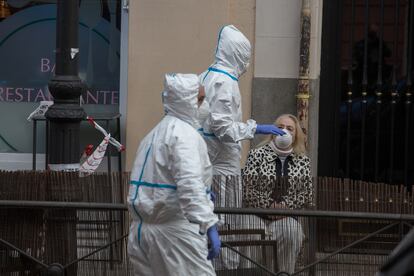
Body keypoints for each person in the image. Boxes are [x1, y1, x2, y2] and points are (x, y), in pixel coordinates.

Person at [198, 24, 285, 269]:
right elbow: (224, 129)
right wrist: (255, 128)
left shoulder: (207, 75)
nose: (247, 62)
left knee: (211, 224)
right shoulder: (225, 82)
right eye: (245, 56)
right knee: (226, 226)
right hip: (222, 171)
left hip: (209, 166)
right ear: (236, 53)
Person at [127, 73, 221, 276]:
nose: (204, 105)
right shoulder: (185, 135)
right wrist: (209, 223)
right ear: (187, 101)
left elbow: (158, 183)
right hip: (174, 235)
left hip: (141, 234)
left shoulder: (152, 135)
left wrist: (203, 194)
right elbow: (189, 186)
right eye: (201, 99)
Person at [242, 114, 313, 274]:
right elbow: (247, 189)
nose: (284, 131)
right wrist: (269, 206)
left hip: (286, 216)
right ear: (273, 132)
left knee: (291, 232)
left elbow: (306, 193)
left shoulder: (303, 161)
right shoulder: (256, 155)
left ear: (295, 135)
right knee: (250, 232)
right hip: (257, 214)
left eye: (289, 129)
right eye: (280, 127)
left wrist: (284, 207)